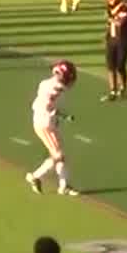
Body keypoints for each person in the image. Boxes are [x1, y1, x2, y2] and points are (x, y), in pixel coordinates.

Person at [25, 61, 80, 196]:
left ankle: (64, 186)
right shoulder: (55, 89)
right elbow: (48, 106)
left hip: (47, 122)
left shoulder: (46, 83)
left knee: (60, 155)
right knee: (58, 155)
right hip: (44, 123)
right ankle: (35, 176)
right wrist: (63, 115)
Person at [100, 0, 127, 100]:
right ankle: (113, 90)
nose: (106, 0)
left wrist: (111, 19)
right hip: (112, 39)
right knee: (110, 65)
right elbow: (109, 20)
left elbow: (120, 22)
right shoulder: (110, 7)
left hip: (122, 39)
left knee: (120, 65)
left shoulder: (124, 7)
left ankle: (123, 87)